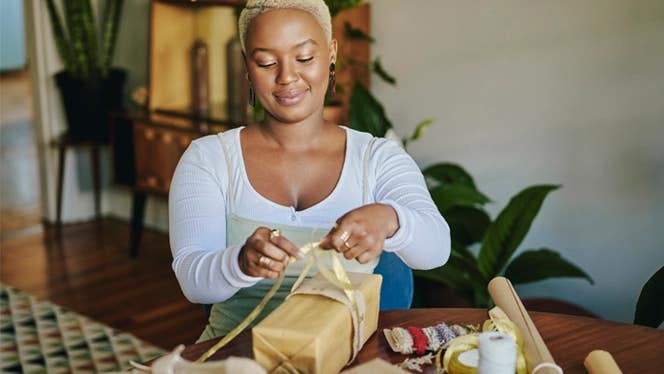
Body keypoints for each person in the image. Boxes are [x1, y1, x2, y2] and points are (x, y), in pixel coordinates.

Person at [169, 0, 450, 342]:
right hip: (238, 355)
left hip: (349, 356)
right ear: (247, 66)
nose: (287, 76)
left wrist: (390, 218)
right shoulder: (209, 159)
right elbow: (193, 282)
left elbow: (437, 249)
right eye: (266, 62)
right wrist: (240, 263)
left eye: (304, 58)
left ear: (331, 53)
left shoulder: (377, 158)